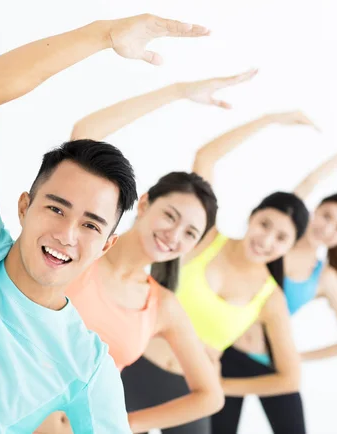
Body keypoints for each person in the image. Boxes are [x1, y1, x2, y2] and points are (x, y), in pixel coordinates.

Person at [0, 13, 211, 434]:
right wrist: (102, 35)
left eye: (91, 225)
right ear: (23, 206)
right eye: (56, 208)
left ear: (107, 243)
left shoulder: (85, 365)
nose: (66, 234)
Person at [77, 93, 318, 432]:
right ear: (252, 217)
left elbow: (289, 379)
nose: (266, 240)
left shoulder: (270, 297)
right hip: (134, 368)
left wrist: (222, 385)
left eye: (281, 239)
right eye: (265, 225)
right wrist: (271, 118)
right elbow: (207, 156)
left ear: (290, 247)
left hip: (187, 391)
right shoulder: (201, 237)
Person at [36, 72, 255, 433]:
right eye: (170, 216)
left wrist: (122, 425)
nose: (174, 235)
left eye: (190, 233)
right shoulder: (79, 250)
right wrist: (178, 90)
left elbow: (210, 396)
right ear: (145, 202)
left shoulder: (162, 306)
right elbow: (85, 131)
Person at [212, 137, 337, 434]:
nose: (327, 228)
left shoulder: (325, 278)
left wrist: (294, 356)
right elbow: (311, 180)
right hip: (225, 353)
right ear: (313, 210)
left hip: (273, 367)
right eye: (326, 215)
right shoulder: (273, 242)